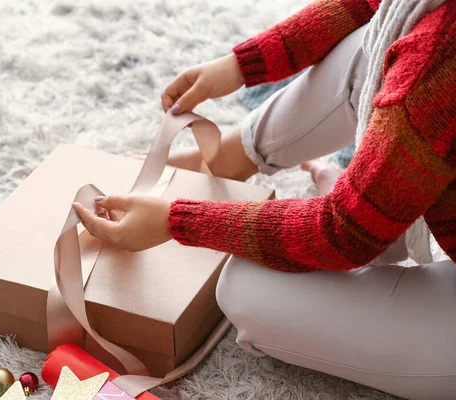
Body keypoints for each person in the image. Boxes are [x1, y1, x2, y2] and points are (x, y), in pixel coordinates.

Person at [72, 1, 456, 398]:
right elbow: (368, 5)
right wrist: (238, 66)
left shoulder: (439, 57)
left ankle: (377, 206)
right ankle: (228, 160)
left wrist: (177, 221)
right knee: (378, 38)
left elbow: (340, 234)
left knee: (244, 288)